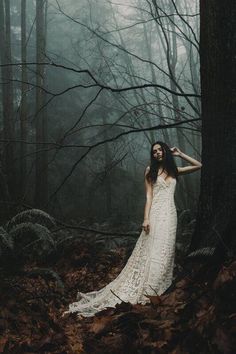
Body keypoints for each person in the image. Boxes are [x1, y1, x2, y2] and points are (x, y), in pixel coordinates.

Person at [64, 141, 202, 317]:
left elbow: (199, 165)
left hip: (170, 216)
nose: (158, 153)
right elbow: (149, 197)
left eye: (160, 150)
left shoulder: (175, 170)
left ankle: (158, 289)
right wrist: (145, 218)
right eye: (154, 152)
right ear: (152, 155)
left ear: (165, 151)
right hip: (155, 214)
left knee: (165, 252)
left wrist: (180, 154)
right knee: (151, 251)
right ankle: (148, 290)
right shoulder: (150, 171)